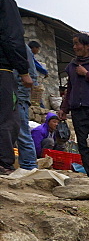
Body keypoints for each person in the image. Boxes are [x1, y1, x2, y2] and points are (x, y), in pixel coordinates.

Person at [59, 33, 89, 175]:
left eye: (77, 44)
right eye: (73, 44)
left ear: (87, 46)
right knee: (83, 143)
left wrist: (87, 74)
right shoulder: (71, 67)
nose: (74, 47)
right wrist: (64, 108)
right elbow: (70, 89)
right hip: (78, 110)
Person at [1, 0, 31, 175]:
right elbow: (12, 37)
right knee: (6, 117)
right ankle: (3, 162)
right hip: (2, 70)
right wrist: (23, 70)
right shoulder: (5, 2)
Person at [15, 43, 38, 171]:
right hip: (9, 95)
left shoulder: (21, 48)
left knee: (22, 132)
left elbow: (31, 77)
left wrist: (21, 95)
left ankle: (29, 167)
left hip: (18, 97)